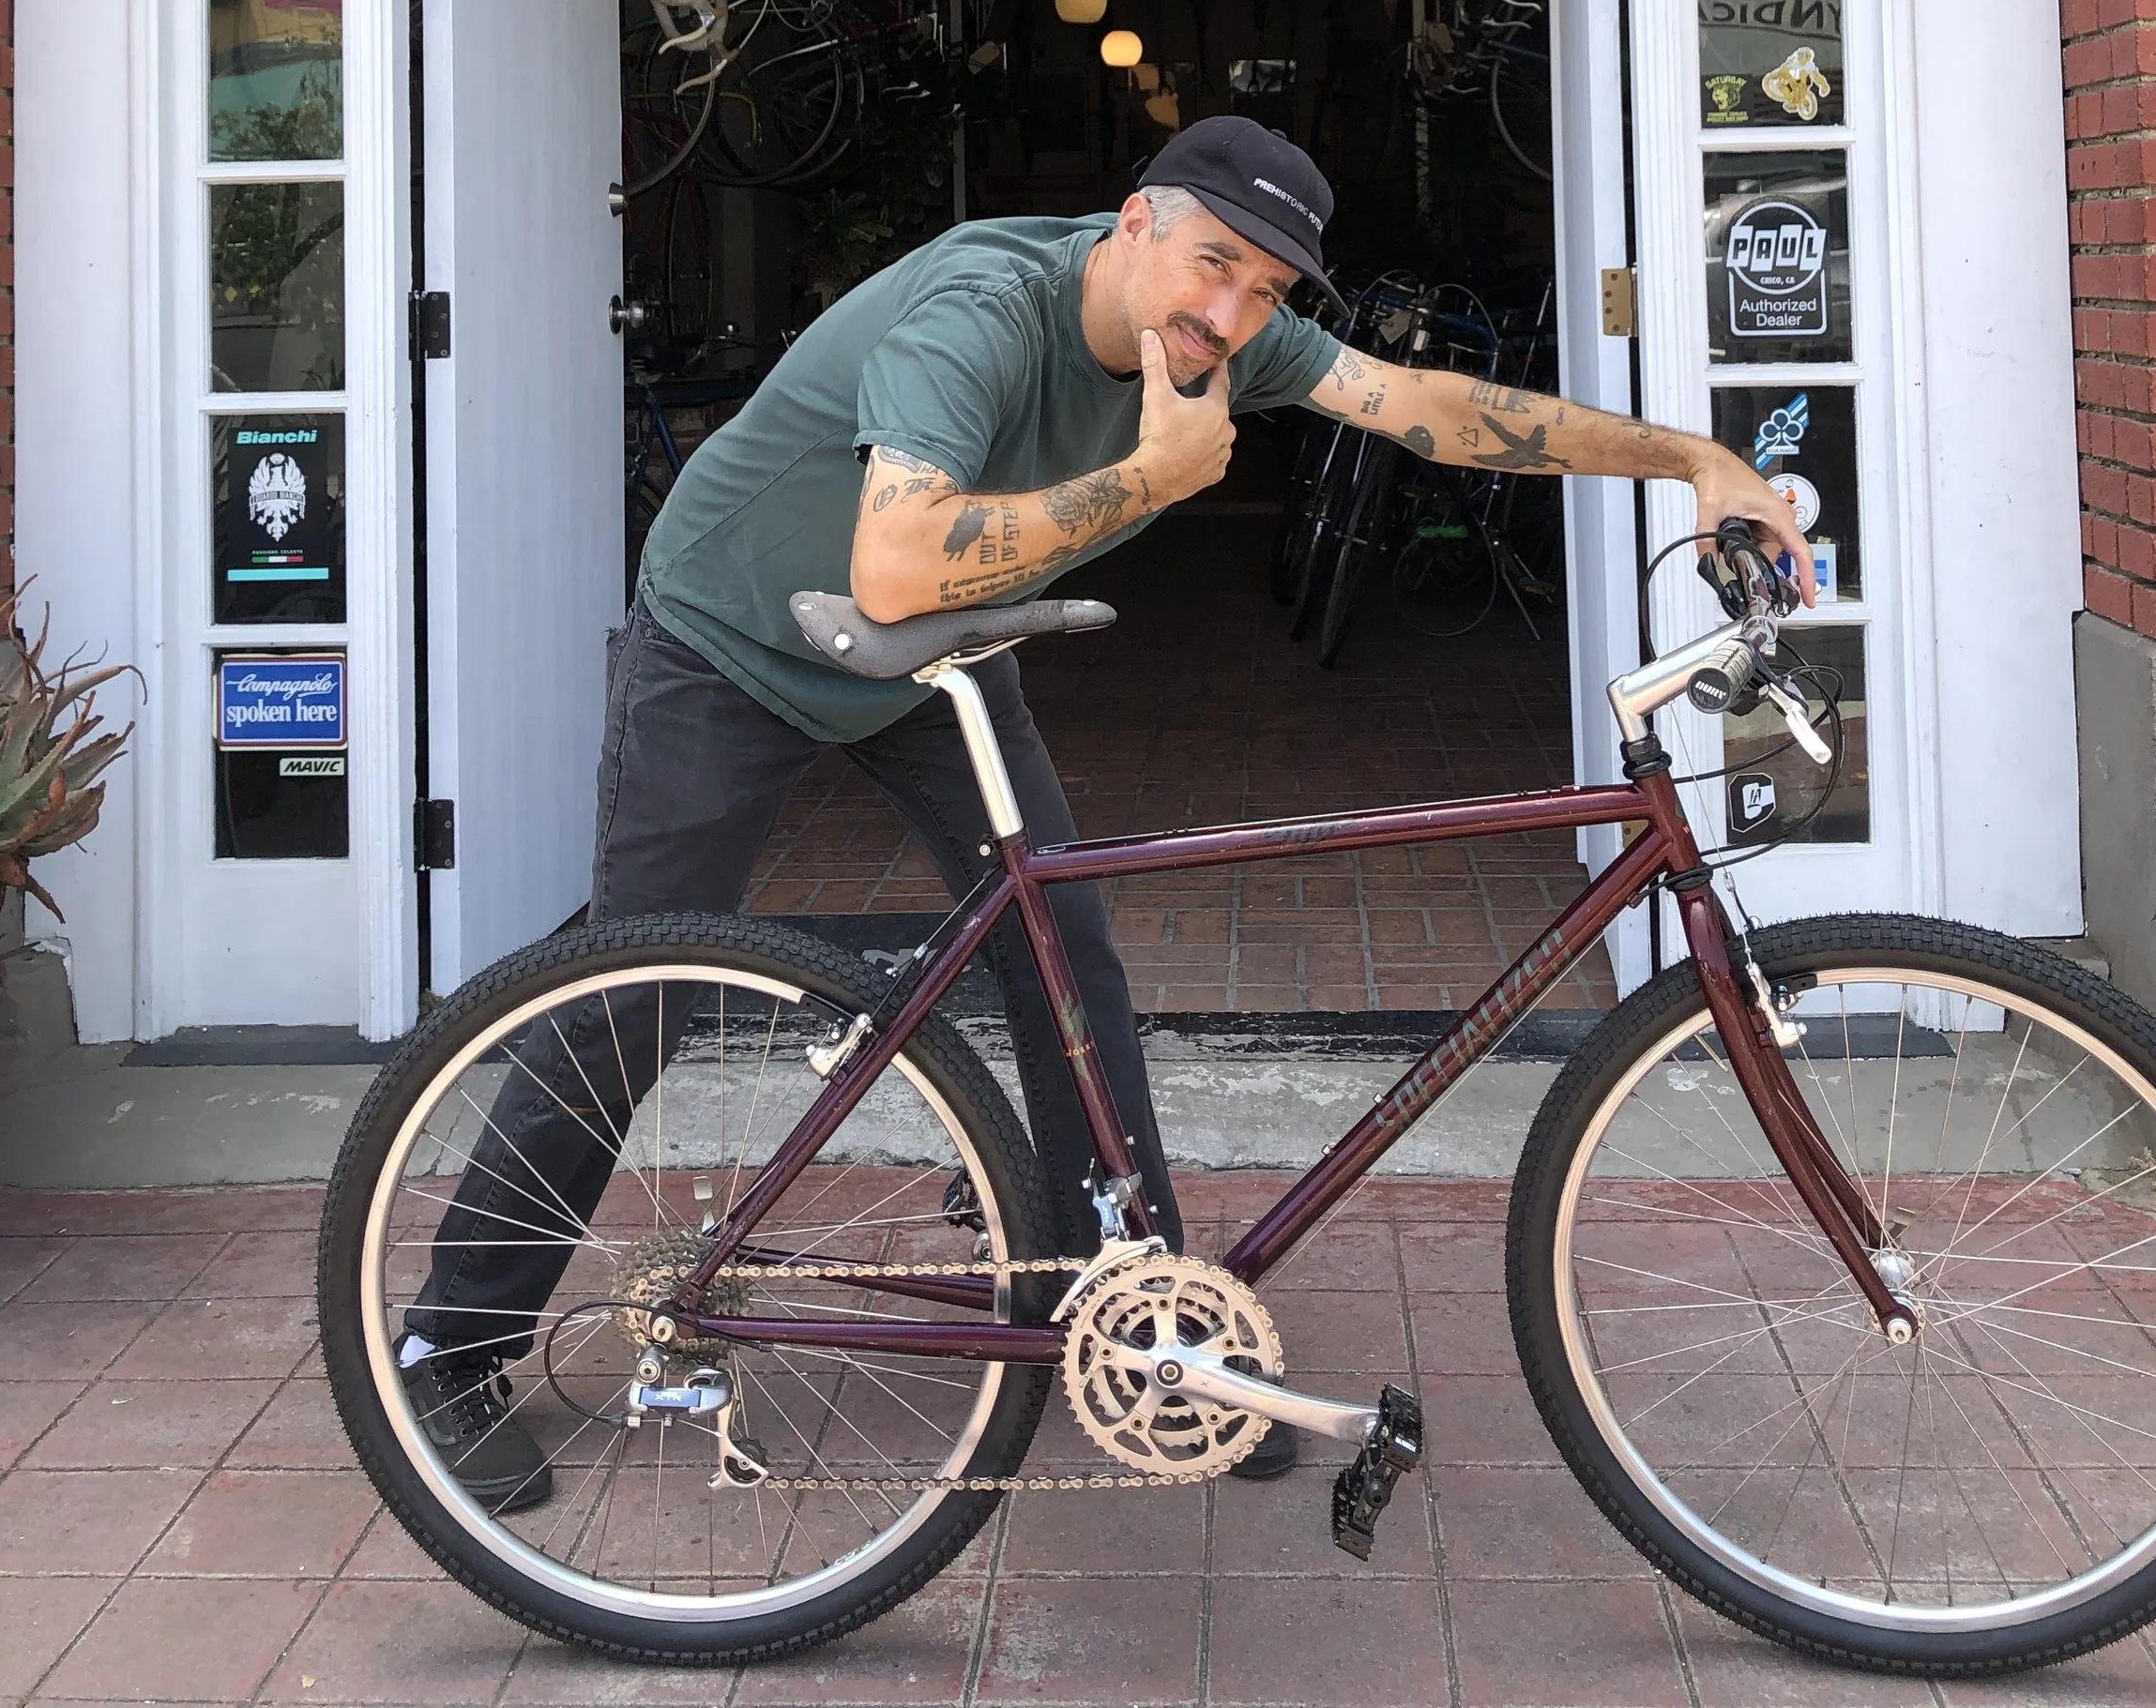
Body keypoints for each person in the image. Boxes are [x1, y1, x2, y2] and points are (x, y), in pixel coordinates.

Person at [399, 116, 1811, 1508]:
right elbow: (892, 565)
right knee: (631, 992)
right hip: (731, 639)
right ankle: (446, 1344)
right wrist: (1152, 479)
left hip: (936, 657)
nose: (1227, 312)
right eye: (1209, 266)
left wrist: (1692, 460)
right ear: (1133, 222)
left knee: (1067, 957)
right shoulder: (983, 311)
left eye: (1262, 292)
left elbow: (1428, 408)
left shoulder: (1229, 333)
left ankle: (1146, 1331)